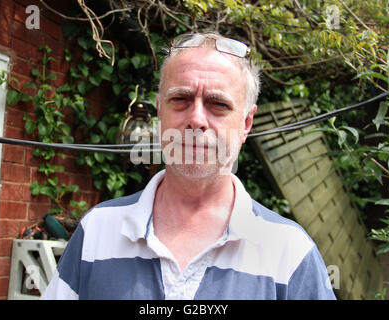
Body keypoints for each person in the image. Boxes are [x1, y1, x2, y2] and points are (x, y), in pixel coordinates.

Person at [41, 32, 336, 300]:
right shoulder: (98, 231)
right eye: (180, 98)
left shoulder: (289, 251)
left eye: (218, 104)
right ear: (159, 110)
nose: (196, 119)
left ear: (246, 123)